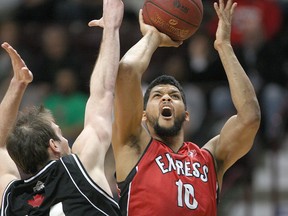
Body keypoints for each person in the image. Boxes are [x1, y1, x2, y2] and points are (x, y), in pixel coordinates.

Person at [112, 0, 261, 215]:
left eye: (174, 96)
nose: (166, 99)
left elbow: (250, 117)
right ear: (143, 115)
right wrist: (153, 36)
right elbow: (126, 71)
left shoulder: (210, 159)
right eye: (157, 96)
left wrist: (224, 47)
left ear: (187, 115)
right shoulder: (132, 146)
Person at [1, 0, 124, 214]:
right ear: (54, 146)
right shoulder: (79, 168)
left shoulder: (13, 198)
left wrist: (16, 84)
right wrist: (112, 27)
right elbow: (102, 94)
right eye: (60, 134)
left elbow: (0, 144)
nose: (66, 140)